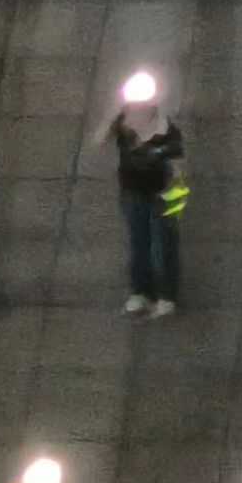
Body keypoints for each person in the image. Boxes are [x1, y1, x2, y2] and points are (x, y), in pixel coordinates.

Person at [95, 85, 187, 319]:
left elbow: (177, 165)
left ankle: (166, 297)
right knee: (139, 243)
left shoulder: (167, 130)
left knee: (163, 245)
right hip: (133, 194)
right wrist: (113, 113)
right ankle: (140, 294)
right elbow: (99, 140)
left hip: (162, 194)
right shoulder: (123, 127)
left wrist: (175, 195)